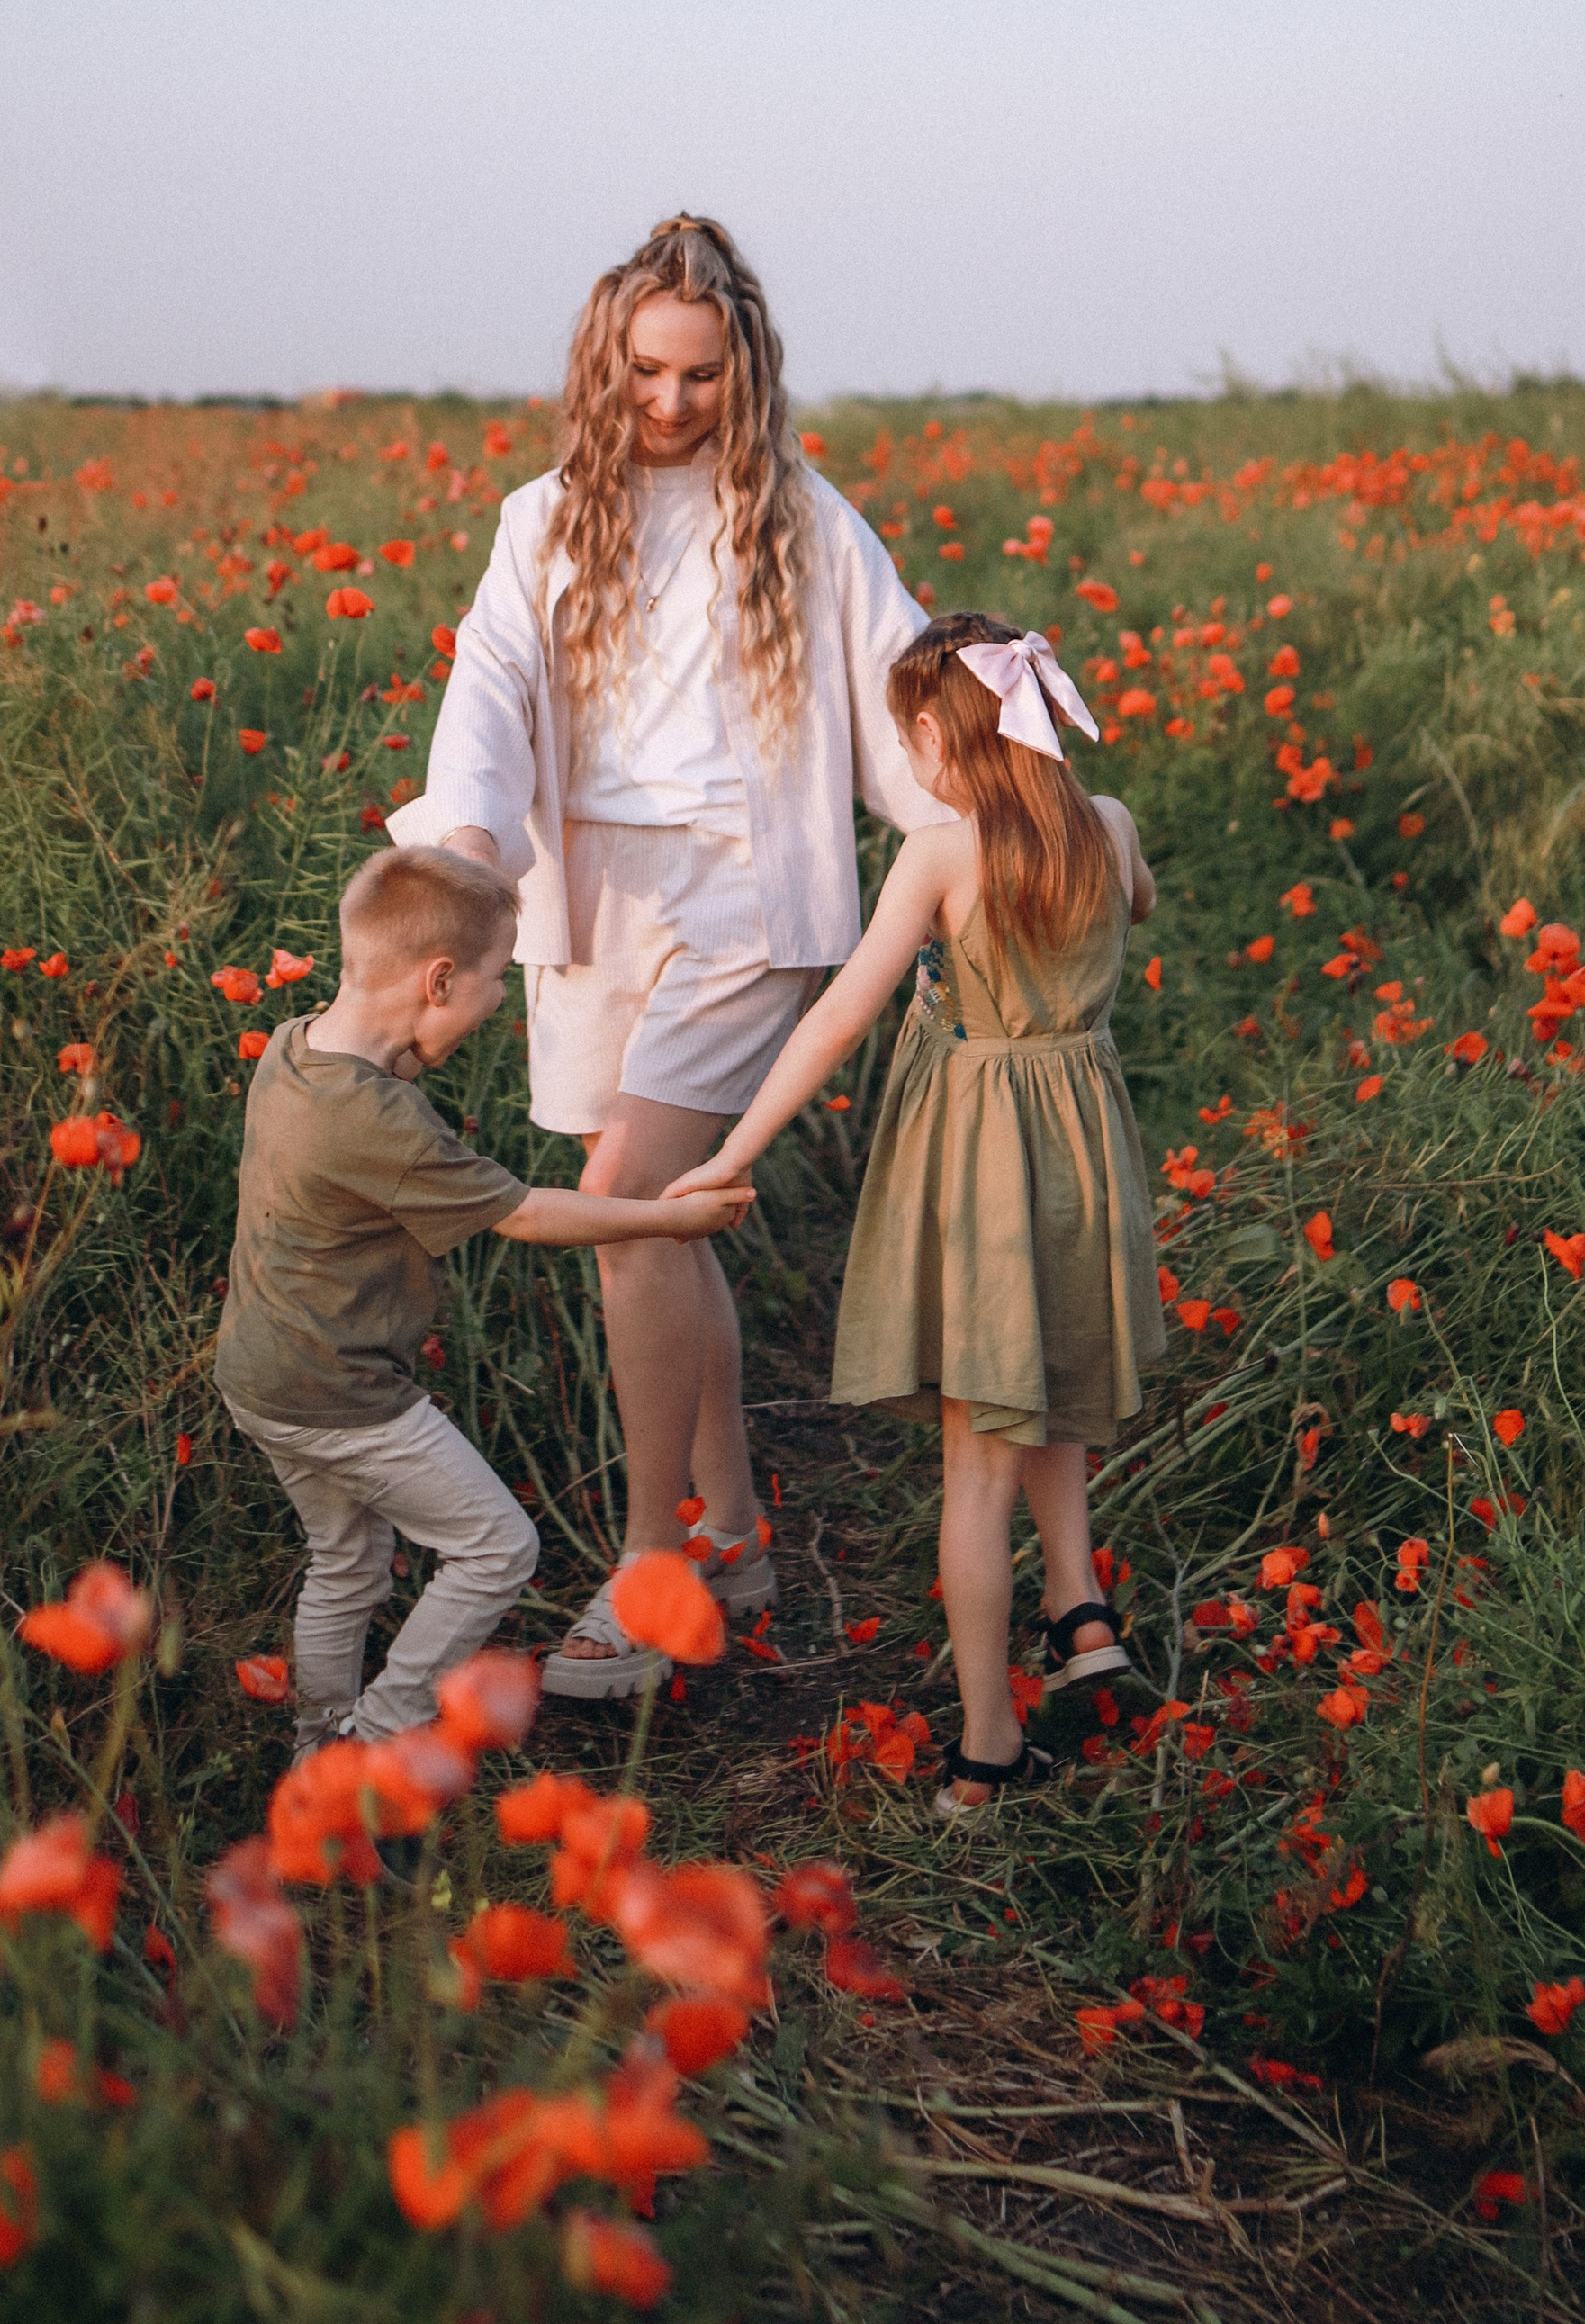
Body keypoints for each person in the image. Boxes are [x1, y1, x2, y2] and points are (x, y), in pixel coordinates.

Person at [386, 214, 947, 1695]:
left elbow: (905, 693)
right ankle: (739, 1540)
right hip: (591, 900)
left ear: (744, 370)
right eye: (649, 370)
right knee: (661, 1226)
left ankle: (648, 1577)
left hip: (747, 903)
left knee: (623, 1202)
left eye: (703, 376)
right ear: (606, 358)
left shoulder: (805, 518)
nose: (675, 402)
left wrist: (1007, 809)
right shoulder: (544, 517)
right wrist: (465, 848)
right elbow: (492, 689)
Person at [662, 610, 1163, 1815]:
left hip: (986, 1151)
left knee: (976, 1463)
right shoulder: (1108, 826)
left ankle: (986, 1753)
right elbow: (1134, 908)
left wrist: (727, 1153)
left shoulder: (942, 855)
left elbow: (837, 1019)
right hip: (1085, 1139)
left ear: (938, 732)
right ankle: (1082, 1614)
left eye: (908, 738)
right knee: (1046, 1373)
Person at [214, 842, 752, 1752]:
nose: (502, 995)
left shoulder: (297, 1051)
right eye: (497, 976)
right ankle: (379, 1740)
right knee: (499, 1548)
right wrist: (669, 1220)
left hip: (263, 1379)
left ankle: (317, 1743)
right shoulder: (381, 1124)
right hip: (345, 1396)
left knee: (343, 1564)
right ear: (438, 981)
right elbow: (529, 1214)